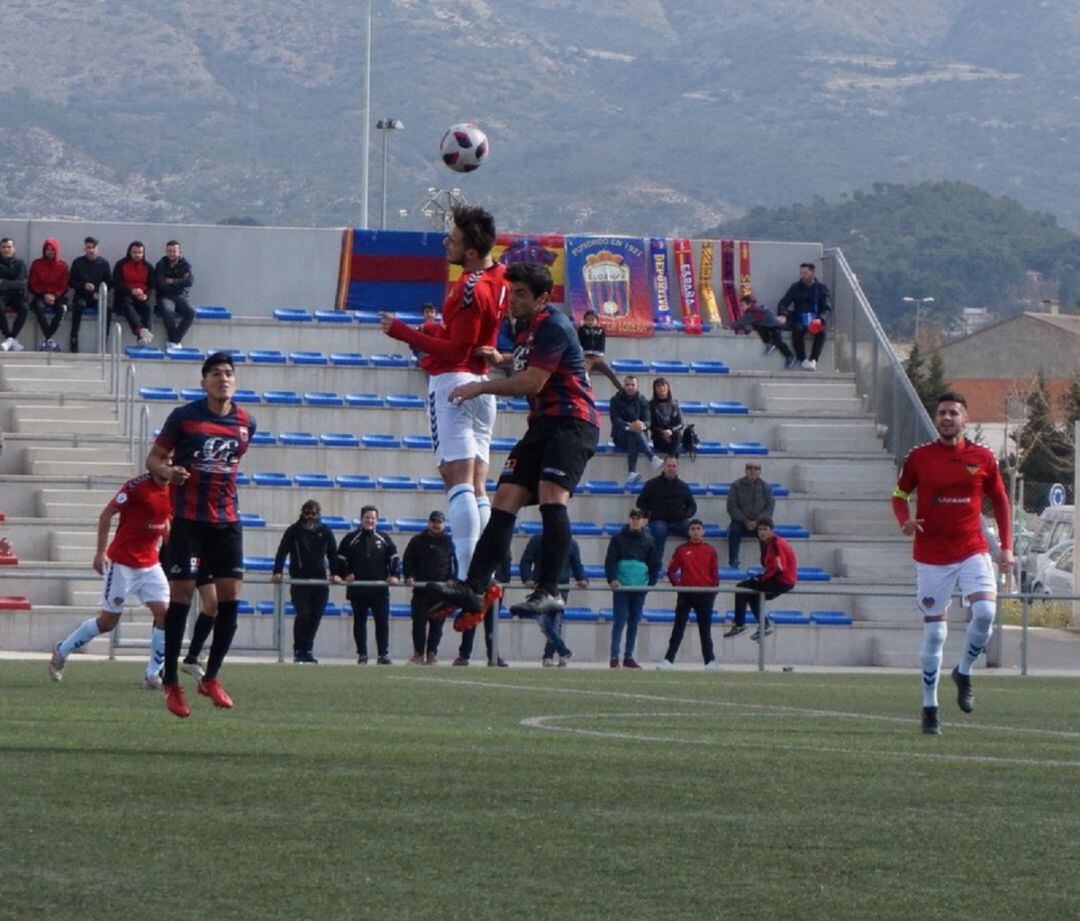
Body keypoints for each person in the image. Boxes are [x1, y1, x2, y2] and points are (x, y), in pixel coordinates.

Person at [425, 260, 601, 653]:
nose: (513, 300)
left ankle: (550, 589)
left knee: (552, 495)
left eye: (521, 294)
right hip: (543, 424)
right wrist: (503, 358)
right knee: (505, 498)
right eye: (513, 292)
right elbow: (527, 363)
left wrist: (481, 387)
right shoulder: (526, 328)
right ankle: (473, 587)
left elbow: (534, 380)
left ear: (542, 297)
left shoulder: (555, 325)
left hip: (573, 422)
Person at [380, 205, 508, 578]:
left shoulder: (469, 289)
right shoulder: (499, 275)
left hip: (454, 384)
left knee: (457, 479)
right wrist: (438, 331)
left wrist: (404, 332)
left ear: (469, 251)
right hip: (483, 388)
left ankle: (469, 575)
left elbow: (456, 351)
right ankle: (486, 571)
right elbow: (468, 340)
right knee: (479, 483)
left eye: (451, 238)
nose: (444, 242)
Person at [891, 391, 1013, 736]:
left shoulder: (983, 457)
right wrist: (903, 519)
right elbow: (900, 495)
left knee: (986, 614)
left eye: (953, 413)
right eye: (942, 413)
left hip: (972, 549)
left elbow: (1000, 501)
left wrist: (1007, 548)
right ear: (937, 418)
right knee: (935, 633)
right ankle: (930, 707)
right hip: (931, 556)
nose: (947, 418)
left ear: (965, 419)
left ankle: (964, 671)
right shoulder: (919, 458)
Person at [146, 351, 256, 718]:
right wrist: (168, 472)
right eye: (215, 374)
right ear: (203, 381)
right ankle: (172, 684)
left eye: (228, 373)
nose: (222, 378)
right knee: (182, 594)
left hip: (226, 521)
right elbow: (154, 459)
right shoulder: (185, 417)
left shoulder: (245, 423)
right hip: (189, 520)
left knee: (230, 598)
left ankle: (210, 677)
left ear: (235, 381)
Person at [48, 470, 172, 688]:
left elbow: (166, 520)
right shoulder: (136, 486)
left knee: (166, 615)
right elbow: (107, 514)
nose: (169, 466)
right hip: (123, 564)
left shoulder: (176, 486)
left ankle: (153, 674)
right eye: (164, 460)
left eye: (172, 461)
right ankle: (63, 650)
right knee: (107, 623)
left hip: (150, 564)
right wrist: (99, 552)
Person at [271, 499, 340, 664]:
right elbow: (282, 552)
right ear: (302, 513)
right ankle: (298, 650)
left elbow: (333, 554)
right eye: (307, 513)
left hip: (319, 582)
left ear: (318, 514)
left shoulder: (326, 531)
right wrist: (278, 571)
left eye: (313, 514)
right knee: (303, 615)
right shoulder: (294, 531)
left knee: (315, 617)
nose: (309, 517)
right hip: (299, 581)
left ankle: (307, 650)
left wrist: (335, 573)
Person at [337, 505, 400, 665]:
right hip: (358, 590)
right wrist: (347, 573)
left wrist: (394, 575)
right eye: (367, 517)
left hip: (379, 590)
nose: (370, 520)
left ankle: (382, 655)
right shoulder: (351, 538)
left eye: (373, 518)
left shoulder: (384, 538)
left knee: (382, 623)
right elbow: (340, 560)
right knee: (359, 622)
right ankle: (362, 654)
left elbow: (394, 558)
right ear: (361, 519)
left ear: (376, 520)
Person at [657, 519, 721, 671]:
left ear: (703, 531)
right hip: (686, 594)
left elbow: (715, 573)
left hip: (705, 594)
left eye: (698, 528)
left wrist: (713, 591)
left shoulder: (710, 550)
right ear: (688, 531)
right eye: (693, 529)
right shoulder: (682, 550)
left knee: (705, 629)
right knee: (678, 627)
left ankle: (709, 661)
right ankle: (668, 660)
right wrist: (679, 587)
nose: (695, 532)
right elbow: (671, 570)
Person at [520, 532, 588, 666]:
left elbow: (576, 564)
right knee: (546, 622)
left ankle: (550, 655)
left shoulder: (571, 543)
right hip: (542, 585)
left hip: (561, 587)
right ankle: (561, 652)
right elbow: (526, 560)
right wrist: (526, 578)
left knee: (555, 622)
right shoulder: (538, 540)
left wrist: (582, 578)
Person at [725, 517, 797, 641]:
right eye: (760, 529)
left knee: (742, 587)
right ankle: (764, 625)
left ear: (772, 530)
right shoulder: (769, 543)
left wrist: (763, 578)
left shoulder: (775, 544)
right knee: (752, 595)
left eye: (765, 529)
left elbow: (779, 567)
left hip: (781, 580)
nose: (762, 532)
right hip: (781, 578)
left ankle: (740, 624)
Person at [605, 507, 660, 669]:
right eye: (633, 518)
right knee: (620, 621)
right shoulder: (618, 539)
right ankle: (614, 656)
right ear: (629, 519)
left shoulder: (649, 540)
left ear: (643, 521)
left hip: (639, 587)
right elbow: (611, 560)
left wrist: (651, 582)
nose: (635, 521)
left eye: (638, 518)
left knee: (634, 622)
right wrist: (612, 579)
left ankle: (628, 655)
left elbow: (655, 563)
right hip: (622, 586)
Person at [402, 510, 457, 665]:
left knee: (437, 625)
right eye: (433, 522)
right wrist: (409, 576)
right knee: (418, 624)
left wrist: (453, 579)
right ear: (428, 523)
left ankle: (432, 653)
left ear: (443, 524)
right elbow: (408, 561)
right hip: (421, 591)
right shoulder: (417, 540)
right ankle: (418, 653)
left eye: (438, 522)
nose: (435, 525)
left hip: (441, 592)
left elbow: (457, 563)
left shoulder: (450, 542)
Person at [453, 549, 510, 668]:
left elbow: (506, 567)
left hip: (495, 589)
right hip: (477, 588)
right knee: (470, 621)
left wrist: (501, 583)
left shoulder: (504, 545)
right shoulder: (482, 543)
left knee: (491, 625)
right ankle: (464, 655)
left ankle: (493, 655)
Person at [636, 455, 697, 564]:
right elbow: (640, 503)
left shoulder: (683, 486)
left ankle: (693, 562)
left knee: (695, 532)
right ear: (664, 467)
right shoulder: (651, 484)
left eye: (674, 466)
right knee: (660, 532)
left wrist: (684, 514)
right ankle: (656, 565)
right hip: (658, 520)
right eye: (669, 465)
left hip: (678, 521)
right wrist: (646, 516)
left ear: (677, 468)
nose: (671, 468)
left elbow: (692, 506)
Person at [776, 261, 831, 371]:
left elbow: (826, 307)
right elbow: (783, 303)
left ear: (812, 273)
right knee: (797, 330)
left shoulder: (821, 288)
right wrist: (782, 314)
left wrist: (820, 319)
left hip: (815, 319)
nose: (803, 275)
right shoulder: (795, 287)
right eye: (801, 273)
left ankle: (814, 359)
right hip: (800, 318)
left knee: (821, 332)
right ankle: (803, 359)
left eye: (805, 273)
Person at [610, 375, 663, 485]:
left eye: (632, 385)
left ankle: (631, 473)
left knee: (635, 434)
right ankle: (652, 457)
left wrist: (642, 425)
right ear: (624, 386)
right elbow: (615, 420)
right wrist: (629, 425)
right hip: (621, 436)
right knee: (633, 433)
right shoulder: (615, 400)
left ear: (637, 386)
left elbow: (648, 421)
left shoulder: (643, 401)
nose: (630, 387)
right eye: (627, 384)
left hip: (639, 436)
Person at [726, 461, 775, 569]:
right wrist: (745, 521)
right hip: (740, 522)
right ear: (745, 470)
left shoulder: (766, 487)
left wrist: (757, 521)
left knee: (766, 533)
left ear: (760, 471)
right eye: (750, 468)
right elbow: (732, 507)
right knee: (734, 531)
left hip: (760, 522)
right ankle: (733, 562)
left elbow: (769, 508)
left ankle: (766, 562)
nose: (753, 470)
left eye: (756, 468)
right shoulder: (736, 486)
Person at [67, 236, 111, 353]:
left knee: (108, 308)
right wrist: (83, 285)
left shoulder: (103, 263)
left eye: (93, 247)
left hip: (97, 296)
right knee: (79, 306)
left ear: (98, 249)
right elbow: (71, 282)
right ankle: (74, 338)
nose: (91, 250)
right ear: (84, 249)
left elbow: (109, 283)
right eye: (88, 247)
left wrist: (99, 293)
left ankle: (104, 340)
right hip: (81, 295)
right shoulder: (78, 262)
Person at [27, 238, 69, 352]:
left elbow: (64, 286)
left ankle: (47, 340)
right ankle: (49, 339)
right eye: (47, 249)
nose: (50, 252)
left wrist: (54, 296)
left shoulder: (62, 266)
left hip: (57, 297)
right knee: (38, 308)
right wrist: (44, 295)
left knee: (61, 309)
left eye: (52, 249)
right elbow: (32, 284)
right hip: (40, 296)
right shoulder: (37, 264)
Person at [732, 293, 795, 369]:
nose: (741, 308)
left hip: (775, 326)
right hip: (768, 325)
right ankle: (769, 343)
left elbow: (743, 321)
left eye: (743, 305)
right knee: (759, 327)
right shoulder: (756, 308)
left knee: (777, 341)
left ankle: (790, 356)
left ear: (749, 304)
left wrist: (732, 327)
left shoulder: (755, 311)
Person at [154, 240, 195, 350]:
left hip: (180, 296)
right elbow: (161, 284)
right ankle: (174, 342)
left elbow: (190, 281)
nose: (172, 253)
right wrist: (180, 281)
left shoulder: (185, 264)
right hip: (165, 296)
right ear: (166, 252)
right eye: (169, 251)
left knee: (191, 313)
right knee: (167, 312)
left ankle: (174, 340)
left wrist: (172, 281)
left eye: (174, 251)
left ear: (179, 251)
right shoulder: (161, 264)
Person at [112, 241, 155, 344]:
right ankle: (139, 331)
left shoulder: (148, 267)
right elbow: (116, 283)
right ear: (129, 252)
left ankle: (143, 337)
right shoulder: (121, 265)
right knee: (126, 304)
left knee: (148, 306)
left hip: (142, 296)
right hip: (125, 295)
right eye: (135, 252)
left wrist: (145, 295)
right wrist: (131, 291)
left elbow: (152, 286)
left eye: (140, 252)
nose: (137, 255)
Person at [576, 309, 623, 392]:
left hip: (598, 358)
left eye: (592, 320)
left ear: (597, 321)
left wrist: (600, 356)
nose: (590, 322)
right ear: (584, 320)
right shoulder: (581, 330)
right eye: (587, 320)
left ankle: (623, 391)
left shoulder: (601, 330)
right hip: (586, 358)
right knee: (584, 374)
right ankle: (586, 392)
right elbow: (580, 344)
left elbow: (601, 346)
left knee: (611, 374)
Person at [0, 237, 29, 351]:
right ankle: (9, 337)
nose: (6, 249)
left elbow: (22, 284)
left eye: (9, 247)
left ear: (14, 248)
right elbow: (17, 283)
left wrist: (3, 282)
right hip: (1, 295)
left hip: (17, 295)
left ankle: (10, 339)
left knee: (24, 308)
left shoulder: (20, 264)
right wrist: (13, 283)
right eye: (4, 247)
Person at [648, 377, 685, 458]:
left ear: (668, 387)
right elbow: (650, 424)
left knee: (677, 436)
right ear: (655, 389)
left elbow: (681, 424)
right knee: (674, 449)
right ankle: (672, 462)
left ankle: (670, 462)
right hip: (659, 438)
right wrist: (663, 433)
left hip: (673, 436)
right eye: (658, 386)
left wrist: (671, 431)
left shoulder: (674, 404)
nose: (661, 388)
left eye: (663, 385)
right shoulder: (651, 405)